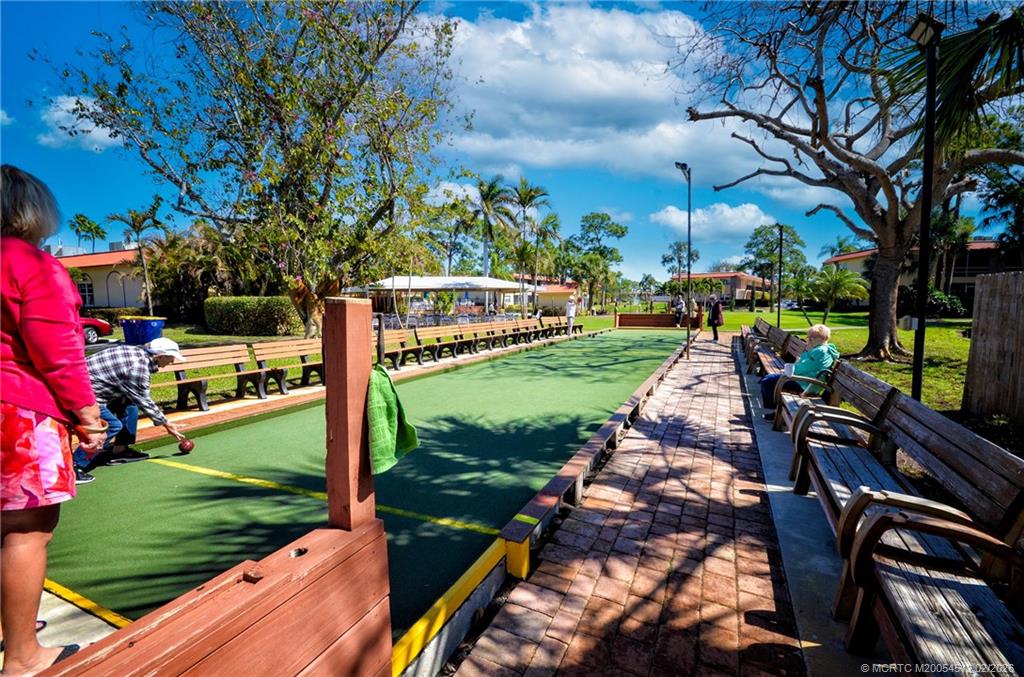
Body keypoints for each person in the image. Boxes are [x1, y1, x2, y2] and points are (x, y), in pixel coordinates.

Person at [1, 164, 107, 672]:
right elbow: (59, 352)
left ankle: (12, 624)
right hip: (17, 411)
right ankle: (22, 656)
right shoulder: (32, 264)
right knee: (26, 531)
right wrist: (88, 418)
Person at [72, 338, 188, 483]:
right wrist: (166, 423)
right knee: (113, 426)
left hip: (96, 390)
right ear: (160, 356)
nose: (172, 362)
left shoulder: (137, 353)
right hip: (81, 395)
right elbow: (144, 399)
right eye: (171, 358)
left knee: (130, 404)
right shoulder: (138, 367)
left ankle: (120, 450)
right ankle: (74, 466)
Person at [760, 324, 840, 419]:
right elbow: (805, 365)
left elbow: (806, 367)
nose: (809, 340)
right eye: (809, 337)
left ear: (823, 338)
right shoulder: (819, 349)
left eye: (812, 337)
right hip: (804, 380)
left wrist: (789, 370)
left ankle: (777, 412)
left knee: (767, 382)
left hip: (806, 385)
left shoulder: (821, 352)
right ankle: (778, 411)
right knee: (768, 379)